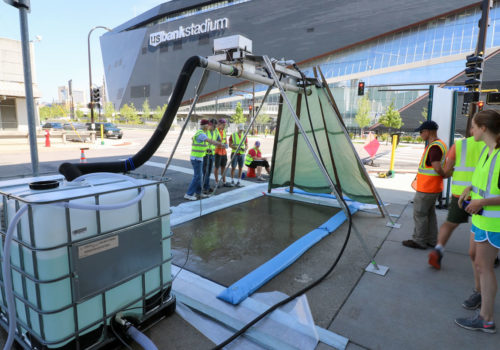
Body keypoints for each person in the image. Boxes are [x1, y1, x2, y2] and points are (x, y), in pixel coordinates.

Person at [455, 109, 500, 334]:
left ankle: (486, 319)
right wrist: (469, 187)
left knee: (485, 267)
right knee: (478, 261)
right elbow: (481, 179)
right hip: (481, 220)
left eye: (473, 126)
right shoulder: (487, 151)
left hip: (493, 223)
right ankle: (481, 298)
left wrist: (482, 202)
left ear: (483, 128)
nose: (470, 130)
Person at [428, 134, 486, 270]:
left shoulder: (460, 145)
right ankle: (491, 257)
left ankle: (438, 249)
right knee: (485, 228)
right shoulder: (494, 145)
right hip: (484, 196)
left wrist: (447, 172)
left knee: (450, 223)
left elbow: (447, 171)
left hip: (460, 194)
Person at [403, 120, 447, 249]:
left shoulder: (434, 147)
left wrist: (444, 174)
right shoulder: (439, 144)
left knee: (420, 215)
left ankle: (419, 241)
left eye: (421, 132)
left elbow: (437, 167)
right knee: (430, 215)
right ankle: (432, 240)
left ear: (428, 131)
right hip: (433, 188)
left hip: (427, 188)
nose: (420, 134)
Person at [184, 119, 225, 201]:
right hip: (196, 158)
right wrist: (221, 144)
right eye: (208, 125)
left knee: (200, 176)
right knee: (197, 176)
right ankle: (188, 194)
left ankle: (198, 193)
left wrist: (207, 149)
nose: (209, 126)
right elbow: (210, 141)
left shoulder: (202, 133)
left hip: (199, 157)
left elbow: (202, 144)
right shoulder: (201, 134)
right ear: (205, 126)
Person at [202, 119, 218, 194]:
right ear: (210, 124)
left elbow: (218, 140)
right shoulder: (205, 131)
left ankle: (207, 186)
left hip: (212, 154)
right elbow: (199, 141)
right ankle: (205, 187)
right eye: (214, 126)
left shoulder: (215, 132)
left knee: (208, 172)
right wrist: (206, 148)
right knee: (205, 172)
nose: (215, 128)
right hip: (206, 154)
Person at [213, 118, 230, 187]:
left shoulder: (224, 131)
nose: (224, 126)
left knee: (223, 167)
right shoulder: (215, 131)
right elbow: (214, 142)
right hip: (217, 152)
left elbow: (225, 141)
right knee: (217, 167)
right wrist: (221, 145)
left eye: (225, 125)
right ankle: (216, 182)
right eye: (223, 125)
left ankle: (224, 182)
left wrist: (226, 145)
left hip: (224, 152)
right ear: (219, 124)